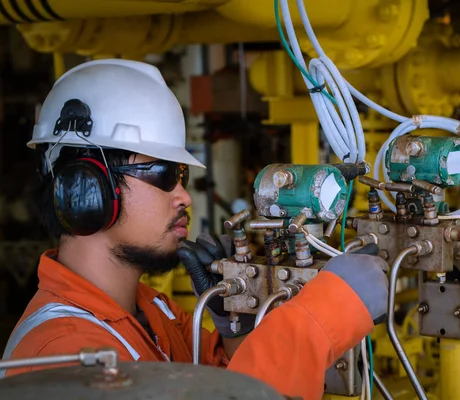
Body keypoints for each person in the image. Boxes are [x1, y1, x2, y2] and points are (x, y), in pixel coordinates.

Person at [0, 59, 389, 400]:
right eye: (165, 174)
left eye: (182, 174)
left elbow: (222, 385)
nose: (184, 197)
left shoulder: (152, 313)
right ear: (89, 189)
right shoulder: (63, 354)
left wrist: (234, 324)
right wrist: (322, 316)